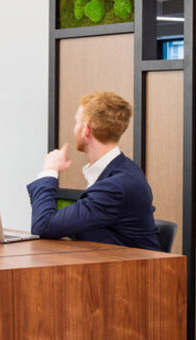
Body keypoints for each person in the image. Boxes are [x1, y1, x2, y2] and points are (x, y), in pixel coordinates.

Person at [28, 91, 160, 251]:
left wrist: (49, 171)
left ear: (86, 130)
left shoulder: (117, 186)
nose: (74, 128)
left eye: (76, 122)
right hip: (108, 265)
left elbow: (43, 225)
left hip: (134, 272)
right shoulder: (121, 170)